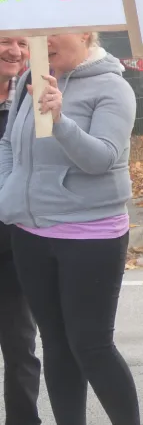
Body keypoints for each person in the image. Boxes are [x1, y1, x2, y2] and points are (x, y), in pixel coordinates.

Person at [0, 32, 140, 425]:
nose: (42, 41)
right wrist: (7, 189)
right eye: (36, 33)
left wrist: (60, 120)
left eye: (53, 31)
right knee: (56, 345)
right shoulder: (33, 76)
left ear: (84, 32)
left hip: (90, 235)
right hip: (30, 231)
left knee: (91, 345)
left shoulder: (113, 87)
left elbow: (103, 159)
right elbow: (9, 142)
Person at [0, 35, 40, 425]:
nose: (14, 51)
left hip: (14, 246)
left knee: (19, 347)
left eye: (22, 42)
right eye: (4, 41)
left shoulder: (33, 99)